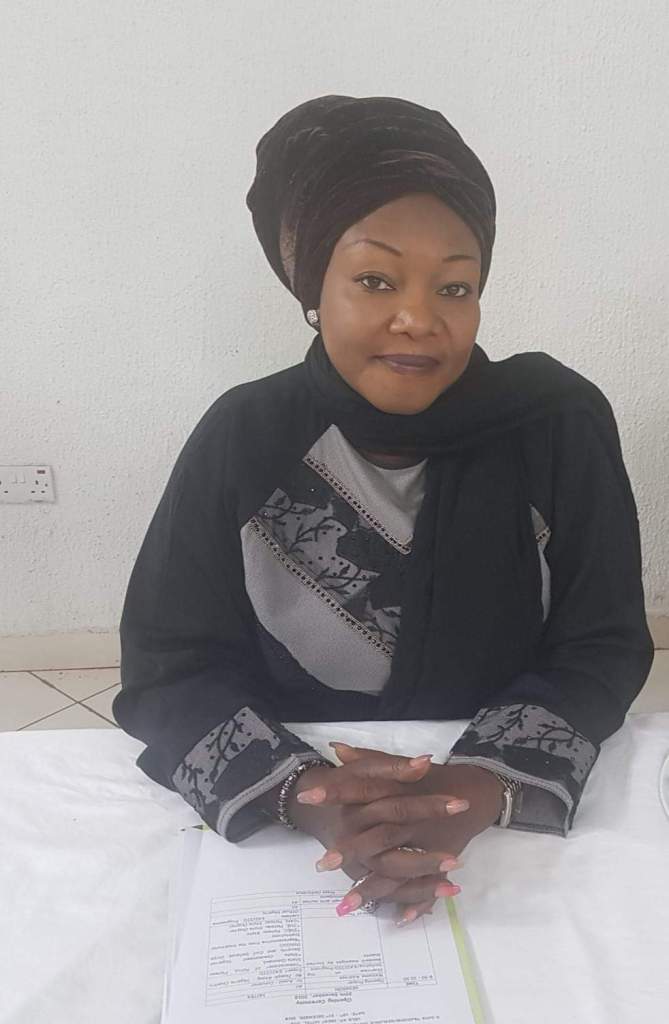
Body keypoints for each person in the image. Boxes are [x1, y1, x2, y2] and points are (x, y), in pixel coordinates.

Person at [114, 94, 654, 926]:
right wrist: (312, 797)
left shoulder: (554, 426)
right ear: (312, 288)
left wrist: (473, 790)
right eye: (374, 279)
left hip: (504, 801)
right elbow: (170, 666)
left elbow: (599, 643)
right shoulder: (246, 435)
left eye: (455, 286)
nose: (419, 318)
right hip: (301, 801)